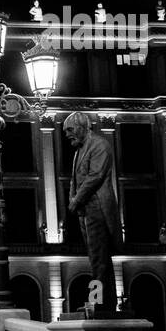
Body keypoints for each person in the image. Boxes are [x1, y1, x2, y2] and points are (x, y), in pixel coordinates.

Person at [65, 111, 120, 312]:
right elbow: (74, 180)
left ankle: (98, 301)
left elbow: (95, 177)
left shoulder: (100, 145)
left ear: (82, 127)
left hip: (98, 208)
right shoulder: (79, 151)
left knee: (99, 258)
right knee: (96, 257)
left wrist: (76, 200)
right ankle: (105, 302)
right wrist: (73, 200)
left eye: (70, 129)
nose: (67, 134)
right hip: (86, 211)